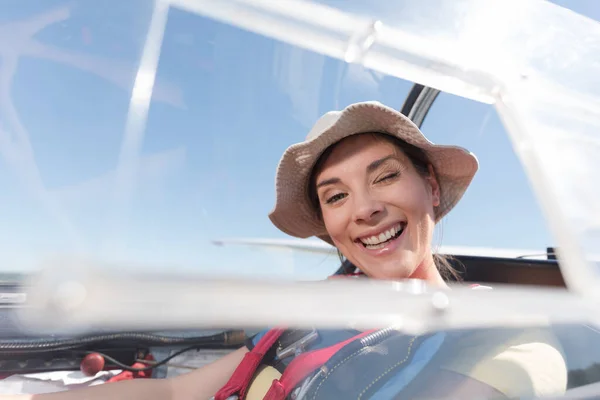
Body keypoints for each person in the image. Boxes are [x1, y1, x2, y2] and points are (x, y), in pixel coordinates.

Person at [2, 101, 567, 400]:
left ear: (431, 188)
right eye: (336, 195)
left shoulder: (506, 342)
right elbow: (176, 392)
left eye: (386, 176)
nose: (364, 208)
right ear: (328, 224)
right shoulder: (318, 313)